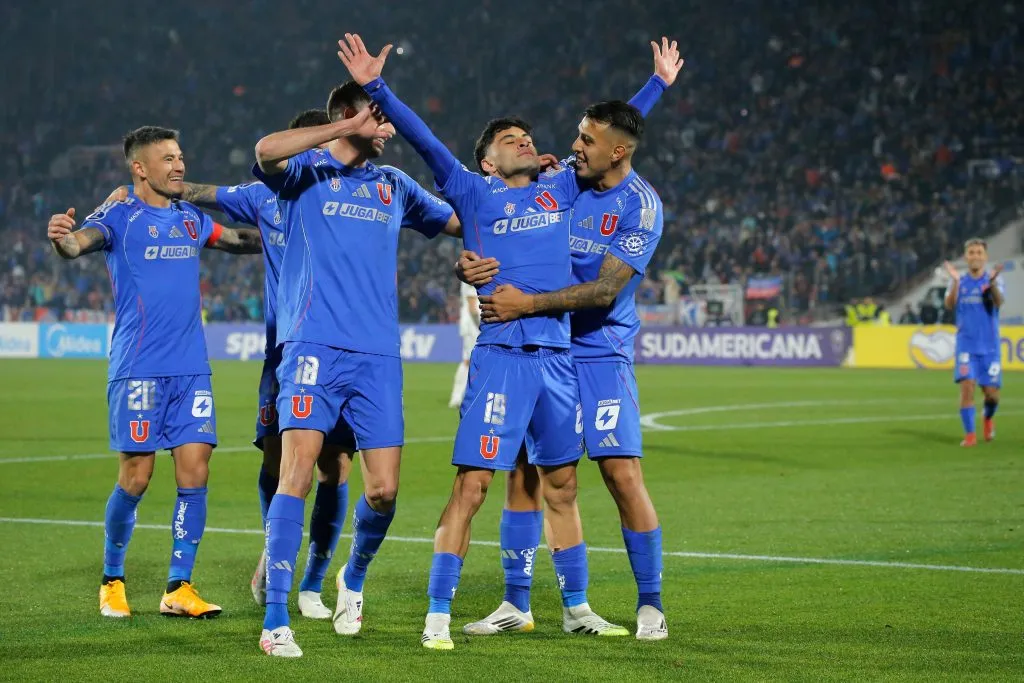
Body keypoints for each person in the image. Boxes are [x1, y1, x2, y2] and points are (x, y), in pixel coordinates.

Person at [340, 31, 673, 650]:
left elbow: (612, 144)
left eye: (529, 137)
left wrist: (656, 87)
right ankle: (438, 613)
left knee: (561, 484)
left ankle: (575, 606)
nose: (528, 141)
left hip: (561, 359)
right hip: (500, 356)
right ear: (488, 161)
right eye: (509, 140)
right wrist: (376, 85)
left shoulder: (561, 187)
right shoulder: (470, 189)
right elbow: (423, 140)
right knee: (474, 484)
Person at [252, 81, 459, 657]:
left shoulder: (395, 185)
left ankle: (354, 576)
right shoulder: (305, 171)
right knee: (297, 473)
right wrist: (343, 129)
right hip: (312, 345)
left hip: (377, 357)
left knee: (385, 491)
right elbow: (266, 149)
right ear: (352, 116)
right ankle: (275, 621)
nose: (389, 131)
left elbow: (458, 222)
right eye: (382, 120)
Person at [468, 100, 671, 642]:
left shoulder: (640, 206)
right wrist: (469, 260)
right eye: (579, 136)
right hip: (543, 348)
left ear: (617, 151)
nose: (576, 146)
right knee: (524, 474)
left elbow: (605, 291)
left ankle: (650, 604)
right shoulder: (565, 182)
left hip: (600, 349)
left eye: (587, 140)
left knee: (621, 474)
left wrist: (528, 305)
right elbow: (497, 219)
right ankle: (517, 602)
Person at [46, 125, 262, 620]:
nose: (179, 165)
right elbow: (77, 245)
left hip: (191, 370)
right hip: (139, 368)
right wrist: (61, 239)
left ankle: (179, 587)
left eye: (181, 156)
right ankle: (112, 580)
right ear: (140, 168)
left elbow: (234, 240)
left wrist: (283, 229)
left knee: (196, 472)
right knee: (136, 477)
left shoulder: (190, 218)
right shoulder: (119, 215)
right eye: (167, 158)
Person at [944, 239, 1005, 447]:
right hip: (966, 345)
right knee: (967, 387)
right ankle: (970, 435)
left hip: (989, 347)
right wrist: (954, 283)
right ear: (966, 257)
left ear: (985, 257)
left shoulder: (994, 279)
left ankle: (987, 418)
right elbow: (949, 304)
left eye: (979, 252)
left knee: (991, 395)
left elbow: (998, 303)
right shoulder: (959, 280)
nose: (975, 256)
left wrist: (993, 284)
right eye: (971, 252)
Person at [449, 280, 480, 408]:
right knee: (468, 361)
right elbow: (472, 306)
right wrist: (481, 325)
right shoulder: (473, 273)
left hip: (472, 324)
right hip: (474, 324)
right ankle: (456, 398)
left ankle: (465, 396)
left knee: (470, 360)